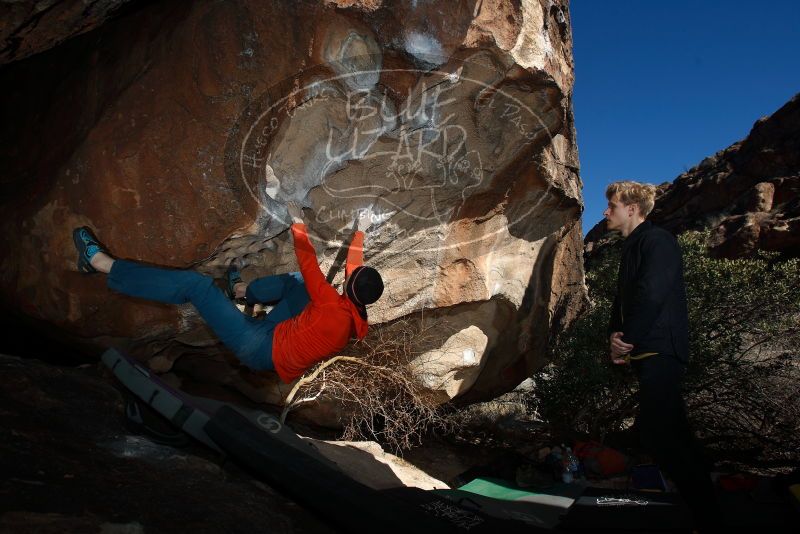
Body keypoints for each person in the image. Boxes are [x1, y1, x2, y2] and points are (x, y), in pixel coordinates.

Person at [72, 201, 383, 383]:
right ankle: (243, 291)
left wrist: (298, 224)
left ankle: (101, 264)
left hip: (257, 348)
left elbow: (309, 262)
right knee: (299, 288)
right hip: (277, 341)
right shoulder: (356, 317)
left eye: (351, 276)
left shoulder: (331, 304)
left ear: (349, 285)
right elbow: (353, 270)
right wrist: (362, 231)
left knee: (198, 286)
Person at [603, 181, 720, 531]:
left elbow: (653, 295)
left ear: (632, 209)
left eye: (611, 205)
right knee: (675, 433)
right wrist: (615, 337)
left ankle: (708, 516)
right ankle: (709, 508)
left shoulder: (658, 241)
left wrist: (629, 340)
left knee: (659, 434)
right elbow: (623, 302)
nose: (606, 212)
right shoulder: (632, 247)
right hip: (646, 350)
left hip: (661, 350)